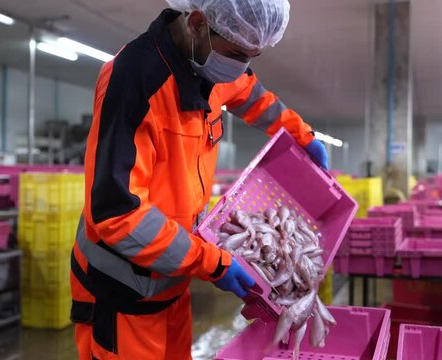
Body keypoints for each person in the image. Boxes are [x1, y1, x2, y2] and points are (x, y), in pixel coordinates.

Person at [69, 0, 328, 359]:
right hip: (121, 292)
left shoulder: (211, 64)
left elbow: (254, 96)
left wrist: (301, 135)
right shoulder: (134, 77)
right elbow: (117, 214)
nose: (242, 66)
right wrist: (212, 262)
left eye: (252, 56)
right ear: (196, 22)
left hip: (173, 277)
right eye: (237, 53)